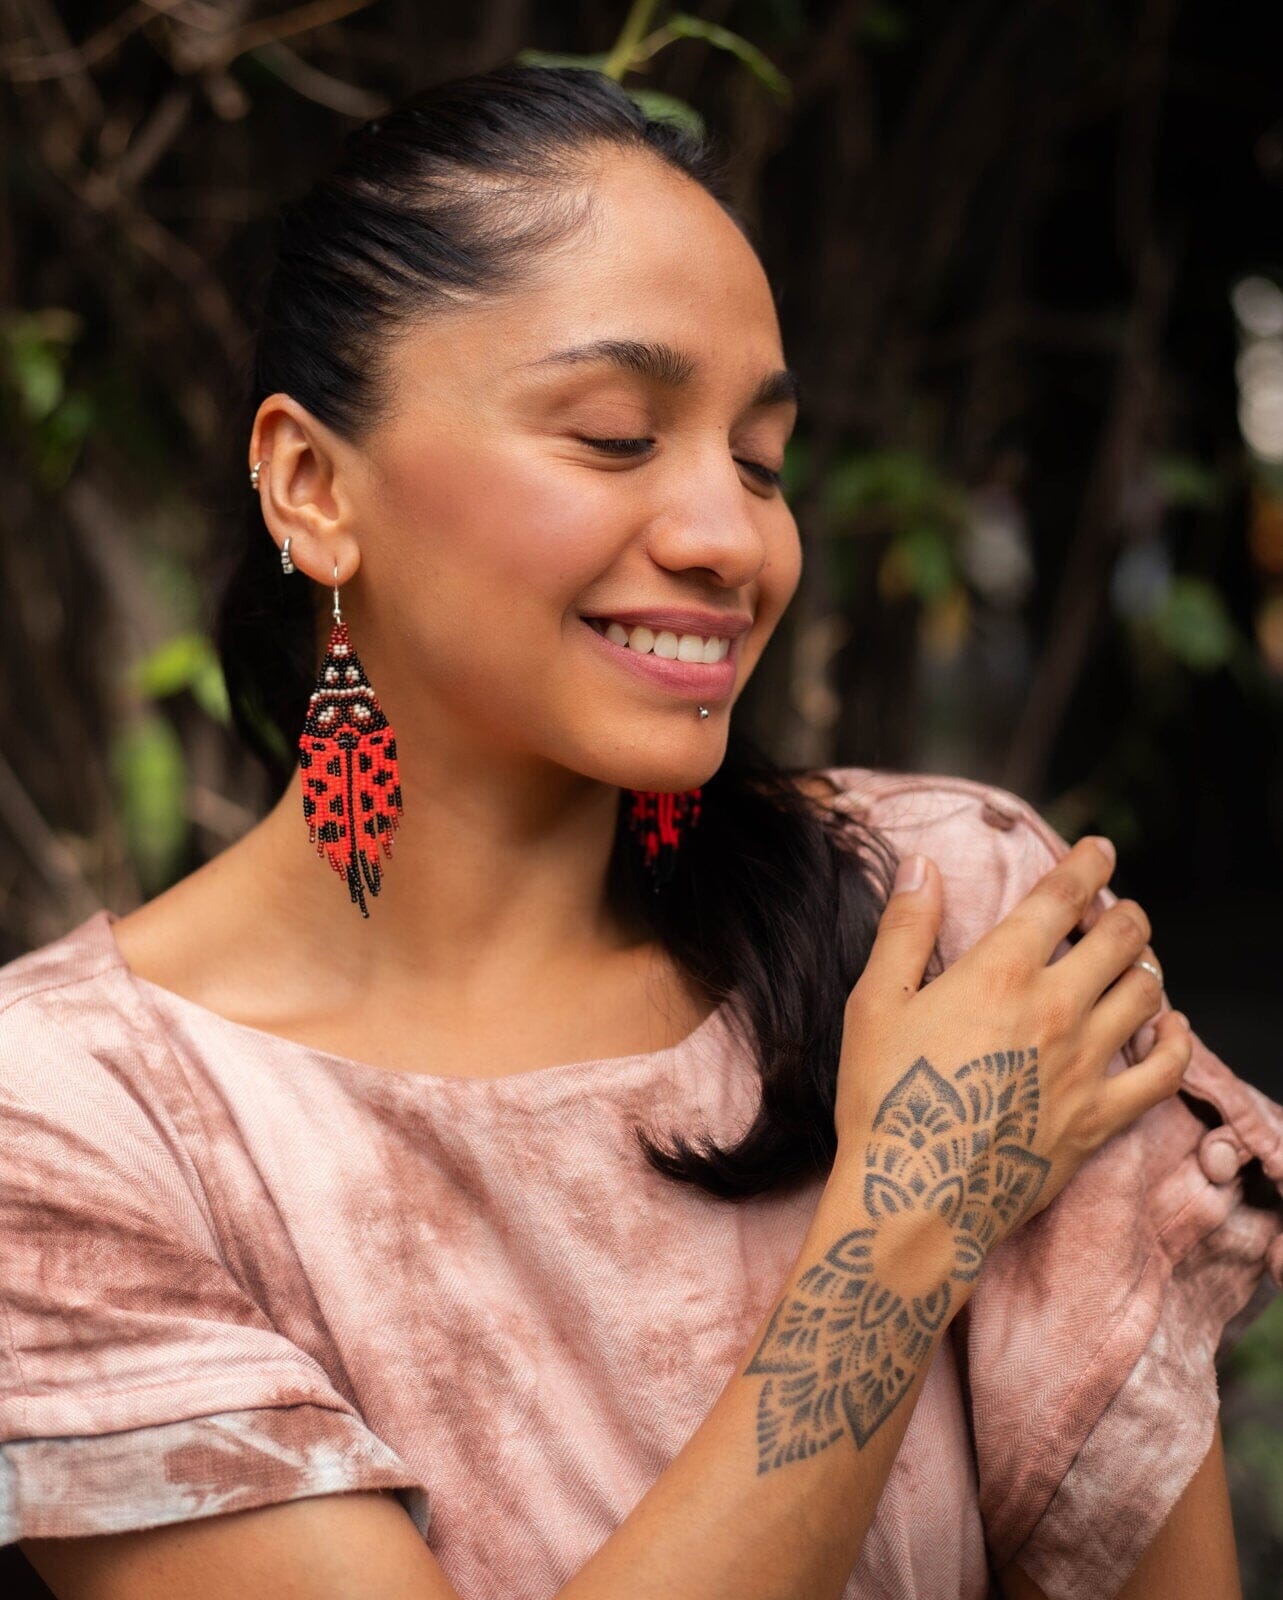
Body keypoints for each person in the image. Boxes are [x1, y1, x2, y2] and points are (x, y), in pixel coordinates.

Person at [2, 63, 1280, 1600]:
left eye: (760, 460)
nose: (731, 536)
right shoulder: (79, 1120)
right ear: (311, 485)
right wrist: (909, 1218)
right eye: (615, 436)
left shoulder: (944, 921)